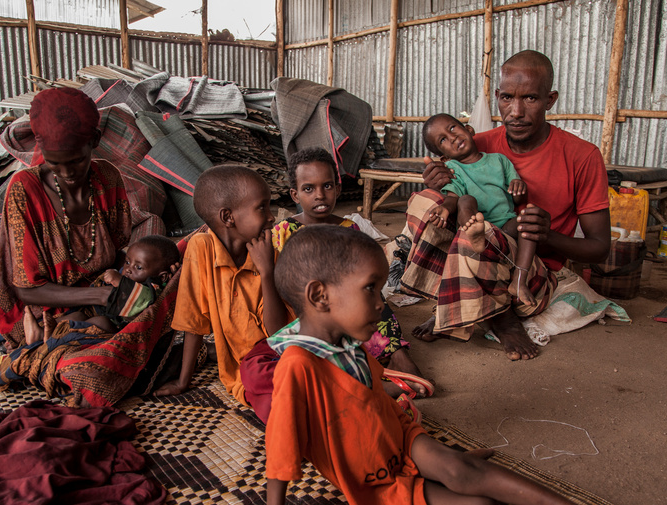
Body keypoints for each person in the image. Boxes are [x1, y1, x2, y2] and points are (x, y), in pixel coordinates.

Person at [266, 225, 572, 505]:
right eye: (371, 288)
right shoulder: (297, 365)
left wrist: (402, 396)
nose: (379, 302)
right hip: (376, 481)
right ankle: (443, 470)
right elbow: (281, 443)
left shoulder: (345, 339)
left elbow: (363, 396)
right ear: (320, 296)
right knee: (480, 502)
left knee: (461, 470)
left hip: (401, 436)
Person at [404, 50, 611, 360]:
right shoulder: (475, 145)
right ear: (498, 96)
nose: (515, 111)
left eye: (530, 99)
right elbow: (450, 195)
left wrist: (547, 234)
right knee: (426, 203)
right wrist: (436, 186)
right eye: (506, 99)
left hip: (529, 273)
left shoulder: (582, 155)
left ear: (550, 99)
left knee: (480, 233)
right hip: (475, 250)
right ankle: (456, 304)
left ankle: (501, 319)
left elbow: (599, 248)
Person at [0, 87, 177, 408]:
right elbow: (27, 289)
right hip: (46, 315)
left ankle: (109, 353)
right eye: (54, 163)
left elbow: (119, 255)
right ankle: (54, 356)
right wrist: (100, 296)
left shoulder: (108, 177)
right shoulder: (24, 190)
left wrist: (147, 282)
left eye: (76, 161)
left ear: (94, 142)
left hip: (103, 301)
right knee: (98, 369)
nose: (67, 174)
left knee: (168, 304)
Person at [273, 147, 432, 399]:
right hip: (312, 308)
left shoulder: (349, 227)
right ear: (295, 194)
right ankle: (380, 371)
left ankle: (399, 355)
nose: (319, 195)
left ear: (338, 188)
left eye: (327, 186)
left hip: (349, 301)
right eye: (308, 189)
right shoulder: (285, 230)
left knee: (375, 300)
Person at [153, 165, 293, 424]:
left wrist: (267, 272)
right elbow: (192, 320)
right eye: (262, 207)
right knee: (275, 398)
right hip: (248, 369)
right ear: (228, 217)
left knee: (309, 376)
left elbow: (279, 334)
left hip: (283, 353)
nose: (272, 217)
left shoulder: (269, 254)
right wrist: (184, 381)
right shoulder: (201, 248)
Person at [421, 113, 536, 306]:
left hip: (506, 227)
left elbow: (518, 197)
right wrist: (444, 209)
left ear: (469, 130)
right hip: (480, 227)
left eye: (452, 129)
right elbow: (453, 197)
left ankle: (519, 281)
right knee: (465, 199)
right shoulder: (452, 168)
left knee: (529, 222)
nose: (452, 138)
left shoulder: (499, 160)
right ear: (444, 156)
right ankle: (472, 233)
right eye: (443, 140)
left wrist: (518, 185)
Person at [22, 234, 180, 342]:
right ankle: (45, 333)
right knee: (76, 316)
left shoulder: (156, 288)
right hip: (102, 314)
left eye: (138, 267)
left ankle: (52, 338)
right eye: (127, 262)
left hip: (120, 330)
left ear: (163, 276)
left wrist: (119, 281)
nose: (128, 269)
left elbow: (143, 300)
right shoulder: (132, 276)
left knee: (100, 322)